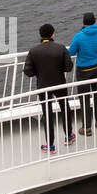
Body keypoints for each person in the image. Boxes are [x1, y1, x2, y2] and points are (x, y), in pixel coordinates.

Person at [23, 23, 74, 152]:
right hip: (60, 84)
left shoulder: (34, 50)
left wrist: (38, 72)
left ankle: (50, 145)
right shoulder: (61, 48)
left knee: (47, 114)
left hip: (43, 86)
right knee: (65, 109)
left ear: (41, 35)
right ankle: (68, 136)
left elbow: (28, 71)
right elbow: (68, 67)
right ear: (53, 34)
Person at [68, 11, 97, 135]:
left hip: (83, 69)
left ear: (84, 22)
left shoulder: (78, 36)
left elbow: (71, 52)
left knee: (84, 97)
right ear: (94, 21)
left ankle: (87, 127)